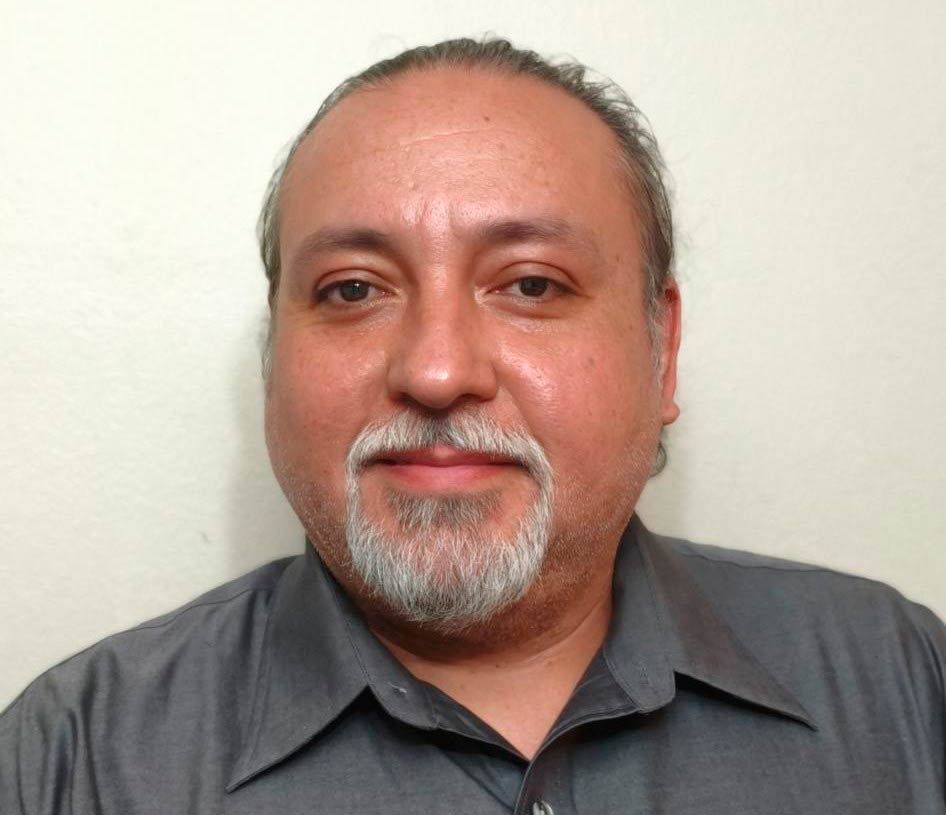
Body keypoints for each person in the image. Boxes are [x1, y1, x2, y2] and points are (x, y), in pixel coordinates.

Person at [1, 37, 943, 814]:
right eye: (353, 290)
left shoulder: (903, 683)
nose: (437, 371)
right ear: (272, 358)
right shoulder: (70, 761)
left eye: (531, 284)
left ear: (662, 352)